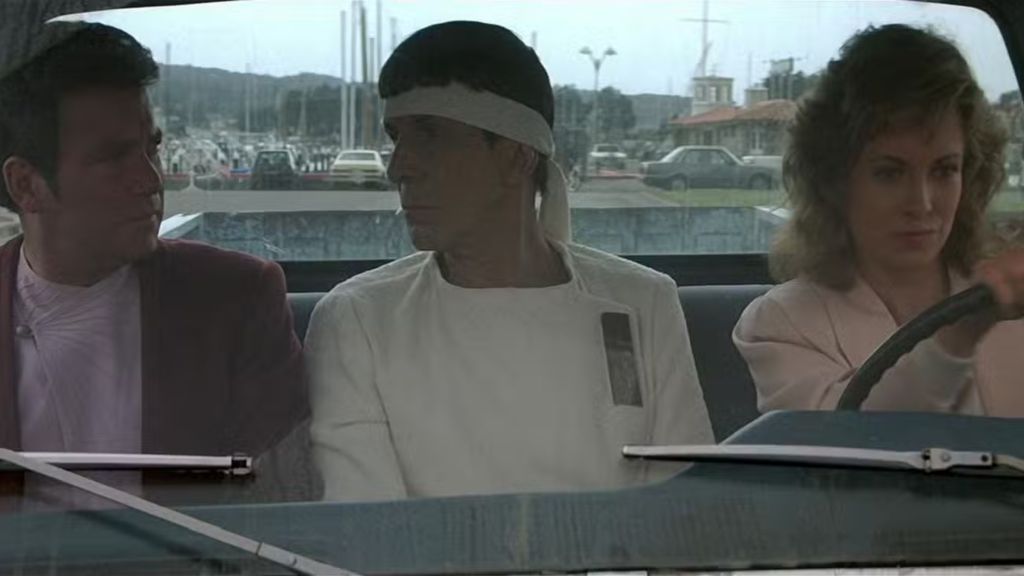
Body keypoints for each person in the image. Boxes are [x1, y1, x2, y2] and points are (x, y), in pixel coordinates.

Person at [306, 21, 713, 502]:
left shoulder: (643, 302)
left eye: (429, 135)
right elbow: (370, 528)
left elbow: (683, 512)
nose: (399, 167)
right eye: (397, 138)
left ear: (517, 157)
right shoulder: (358, 321)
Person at [0, 21, 308, 494]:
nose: (151, 179)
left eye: (152, 149)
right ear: (26, 185)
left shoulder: (235, 302)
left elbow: (281, 505)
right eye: (113, 158)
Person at [733, 24, 1024, 415]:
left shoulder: (1013, 297)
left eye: (944, 170)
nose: (921, 203)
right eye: (890, 173)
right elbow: (846, 441)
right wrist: (959, 333)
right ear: (835, 180)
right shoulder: (783, 323)